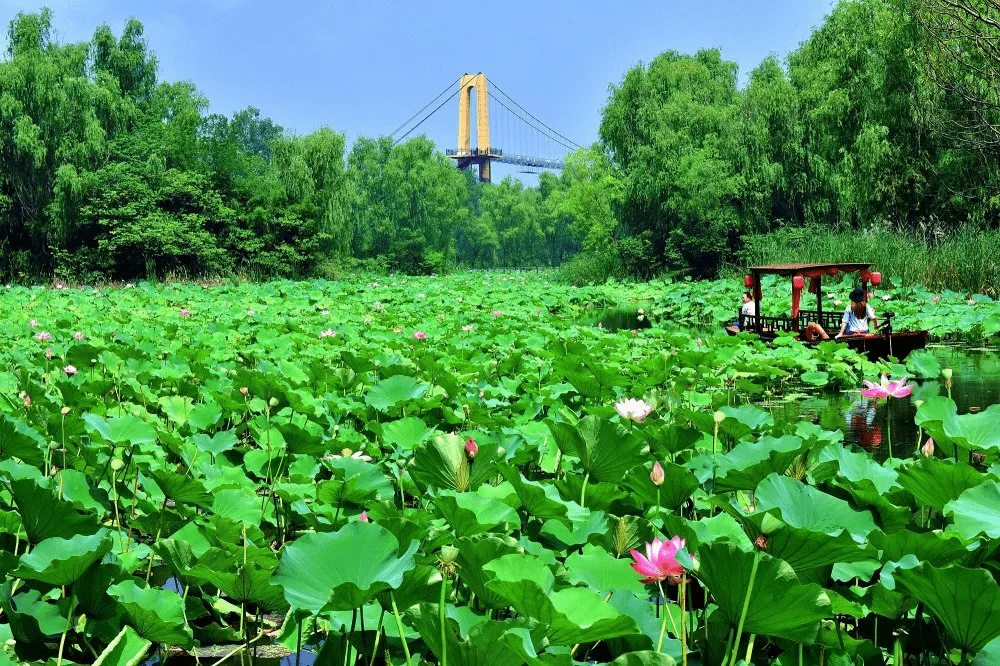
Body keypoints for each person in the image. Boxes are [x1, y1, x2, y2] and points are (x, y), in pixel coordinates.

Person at [802, 286, 877, 340]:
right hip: (865, 331)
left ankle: (826, 336)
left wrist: (840, 334)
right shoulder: (867, 306)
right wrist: (875, 330)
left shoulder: (849, 307)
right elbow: (874, 319)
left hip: (851, 332)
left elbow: (844, 321)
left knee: (847, 325)